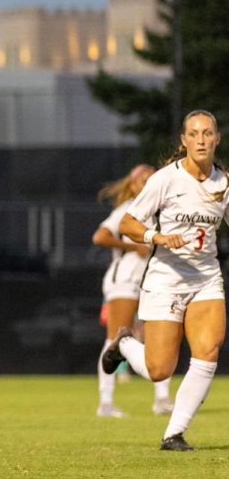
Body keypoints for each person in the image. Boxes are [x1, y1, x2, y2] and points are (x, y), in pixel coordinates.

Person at [101, 110, 228, 451]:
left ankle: (174, 433)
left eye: (207, 133)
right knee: (159, 369)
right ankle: (124, 344)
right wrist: (156, 237)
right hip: (165, 279)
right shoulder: (165, 180)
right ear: (184, 141)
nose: (201, 139)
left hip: (205, 278)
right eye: (194, 133)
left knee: (209, 349)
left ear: (217, 139)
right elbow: (127, 223)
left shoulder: (224, 183)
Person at [90, 164, 173, 417]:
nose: (147, 182)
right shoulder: (128, 209)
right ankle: (105, 402)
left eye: (152, 178)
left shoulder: (162, 211)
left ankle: (162, 399)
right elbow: (100, 237)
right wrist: (132, 247)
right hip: (124, 278)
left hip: (152, 281)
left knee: (158, 339)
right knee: (116, 337)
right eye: (142, 179)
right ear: (133, 185)